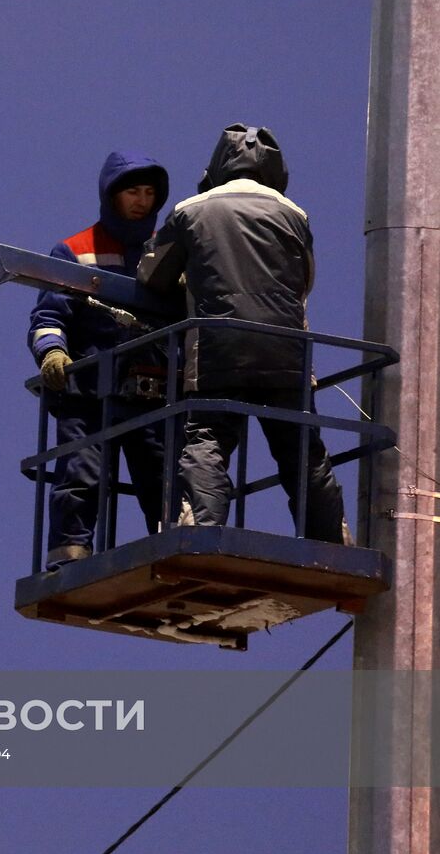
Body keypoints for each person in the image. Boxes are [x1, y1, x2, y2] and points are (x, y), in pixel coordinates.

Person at [137, 123, 348, 543]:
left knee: (207, 438)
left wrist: (189, 279)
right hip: (287, 353)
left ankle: (200, 529)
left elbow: (150, 275)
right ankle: (329, 539)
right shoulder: (294, 213)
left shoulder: (190, 210)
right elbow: (305, 280)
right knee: (301, 447)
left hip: (219, 348)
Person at [29, 151, 171, 568]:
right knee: (81, 473)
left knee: (163, 478)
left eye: (149, 193)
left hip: (151, 390)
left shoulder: (168, 252)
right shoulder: (74, 250)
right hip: (88, 392)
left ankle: (173, 552)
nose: (142, 201)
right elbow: (49, 315)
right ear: (112, 195)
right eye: (133, 191)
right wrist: (52, 351)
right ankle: (69, 555)